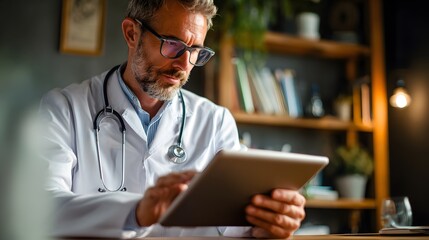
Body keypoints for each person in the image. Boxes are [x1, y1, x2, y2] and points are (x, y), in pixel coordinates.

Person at [39, 0, 306, 238]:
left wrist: (266, 224)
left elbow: (233, 222)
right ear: (132, 33)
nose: (183, 64)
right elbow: (43, 207)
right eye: (173, 45)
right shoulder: (64, 108)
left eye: (195, 51)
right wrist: (136, 213)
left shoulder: (214, 121)